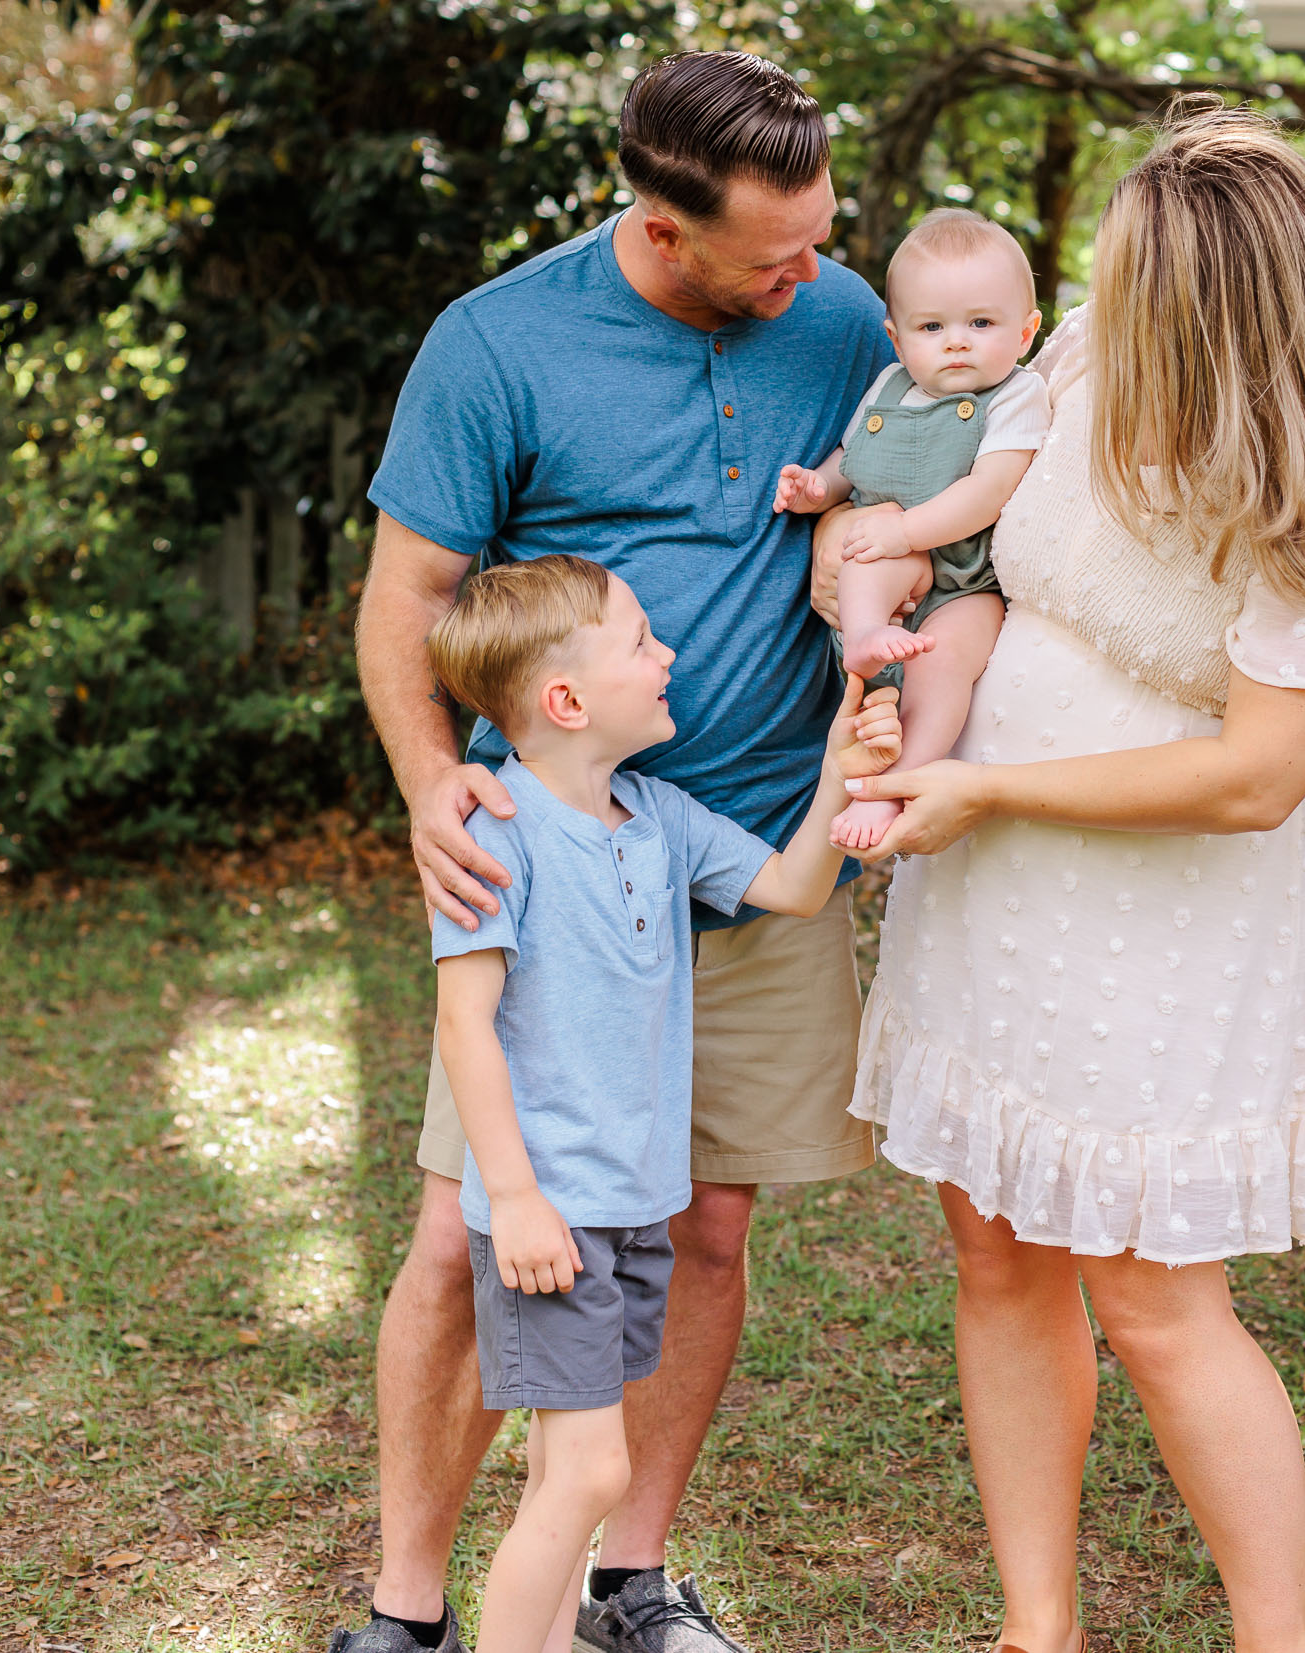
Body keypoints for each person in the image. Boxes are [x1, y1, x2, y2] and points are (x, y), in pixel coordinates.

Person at [821, 102, 1305, 1653]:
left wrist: (982, 781)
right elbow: (957, 535)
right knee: (995, 1243)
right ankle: (1036, 1627)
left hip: (1165, 907)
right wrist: (900, 694)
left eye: (1141, 294)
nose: (1103, 319)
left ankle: (1275, 1641)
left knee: (1157, 1298)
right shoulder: (1094, 345)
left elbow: (1255, 778)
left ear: (1236, 316)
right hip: (988, 872)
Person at [338, 49, 901, 1653]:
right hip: (556, 865)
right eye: (774, 254)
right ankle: (406, 1601)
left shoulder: (848, 322)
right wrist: (433, 784)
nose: (812, 277)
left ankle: (625, 1579)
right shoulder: (498, 344)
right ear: (662, 226)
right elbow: (406, 602)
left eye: (821, 236)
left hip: (753, 855)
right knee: (462, 1233)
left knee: (704, 1221)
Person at [418, 555, 868, 1653]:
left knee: (561, 1466)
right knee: (591, 1471)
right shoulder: (498, 836)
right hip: (551, 1218)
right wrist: (516, 1199)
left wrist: (840, 772)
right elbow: (462, 1025)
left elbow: (794, 889)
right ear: (566, 701)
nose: (667, 656)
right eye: (639, 642)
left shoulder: (660, 819)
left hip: (631, 1208)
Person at [772, 209, 1048, 851]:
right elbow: (853, 460)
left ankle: (898, 784)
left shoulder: (1016, 395)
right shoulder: (891, 385)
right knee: (864, 542)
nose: (956, 342)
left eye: (981, 323)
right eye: (932, 327)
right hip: (894, 561)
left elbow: (988, 492)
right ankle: (866, 634)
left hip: (967, 577)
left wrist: (906, 533)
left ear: (1027, 331)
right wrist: (820, 489)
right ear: (897, 341)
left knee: (943, 665)